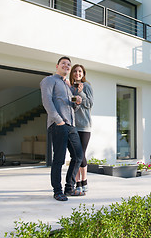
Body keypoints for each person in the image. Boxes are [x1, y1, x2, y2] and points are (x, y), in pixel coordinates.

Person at [40, 56, 86, 201]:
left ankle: (69, 188)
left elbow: (72, 105)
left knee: (78, 156)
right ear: (57, 66)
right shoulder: (49, 80)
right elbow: (47, 101)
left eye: (68, 64)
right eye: (63, 63)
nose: (66, 66)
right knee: (59, 159)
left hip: (71, 125)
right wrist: (58, 120)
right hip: (58, 125)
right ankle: (57, 191)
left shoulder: (68, 86)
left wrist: (77, 100)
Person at [69, 64, 93, 193]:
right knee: (75, 155)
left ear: (83, 73)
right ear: (72, 74)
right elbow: (72, 107)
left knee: (81, 154)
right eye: (75, 71)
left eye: (80, 71)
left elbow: (89, 104)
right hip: (73, 126)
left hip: (84, 126)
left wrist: (81, 93)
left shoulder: (87, 86)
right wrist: (76, 101)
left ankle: (84, 180)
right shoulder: (70, 88)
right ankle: (77, 181)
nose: (77, 73)